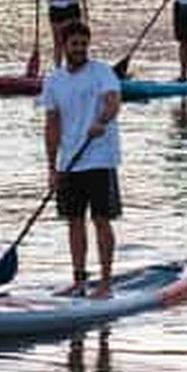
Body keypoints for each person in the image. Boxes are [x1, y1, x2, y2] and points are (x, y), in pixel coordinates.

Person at [42, 20, 122, 298]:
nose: (79, 49)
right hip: (70, 162)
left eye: (83, 44)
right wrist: (52, 168)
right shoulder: (54, 81)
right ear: (64, 46)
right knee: (74, 221)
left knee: (101, 220)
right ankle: (78, 281)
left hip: (100, 159)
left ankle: (106, 283)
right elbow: (52, 126)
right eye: (74, 44)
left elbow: (113, 102)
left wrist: (102, 120)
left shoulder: (102, 72)